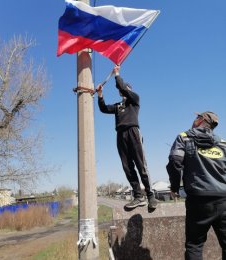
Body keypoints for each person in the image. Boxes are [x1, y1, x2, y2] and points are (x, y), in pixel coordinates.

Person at [96, 65, 158, 210]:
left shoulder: (135, 100)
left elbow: (123, 88)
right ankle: (138, 196)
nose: (123, 91)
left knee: (141, 165)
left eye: (125, 89)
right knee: (127, 167)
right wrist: (100, 95)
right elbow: (104, 108)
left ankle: (150, 195)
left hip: (133, 132)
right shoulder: (118, 106)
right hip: (120, 135)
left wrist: (117, 74)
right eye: (122, 90)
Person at [166, 111, 226, 260]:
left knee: (194, 245)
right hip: (224, 200)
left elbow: (175, 161)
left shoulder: (184, 138)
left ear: (200, 121)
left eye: (196, 117)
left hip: (198, 201)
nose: (194, 120)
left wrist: (174, 187)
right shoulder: (223, 143)